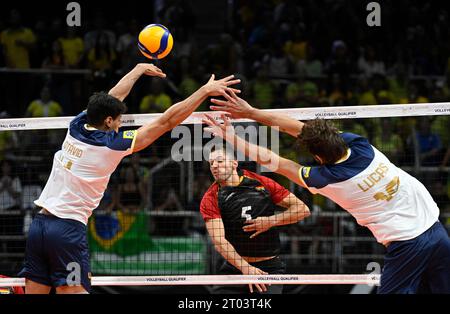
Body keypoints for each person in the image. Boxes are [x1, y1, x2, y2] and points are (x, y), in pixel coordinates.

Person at [18, 63, 240, 294]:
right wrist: (204, 91)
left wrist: (138, 69)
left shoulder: (77, 125)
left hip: (39, 225)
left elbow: (113, 95)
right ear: (108, 121)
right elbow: (166, 122)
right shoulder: (111, 145)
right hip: (66, 230)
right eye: (118, 119)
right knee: (72, 292)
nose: (121, 122)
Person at [204, 90, 450, 294]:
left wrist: (232, 136)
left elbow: (272, 158)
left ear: (319, 158)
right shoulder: (360, 145)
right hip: (437, 230)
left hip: (408, 242)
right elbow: (303, 132)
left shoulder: (328, 179)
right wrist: (250, 113)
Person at [200, 145, 309, 294]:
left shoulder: (261, 183)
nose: (214, 166)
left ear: (234, 163)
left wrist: (271, 221)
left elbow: (302, 210)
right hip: (236, 268)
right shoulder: (211, 197)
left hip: (269, 268)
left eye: (219, 161)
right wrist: (246, 269)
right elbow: (219, 241)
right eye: (211, 163)